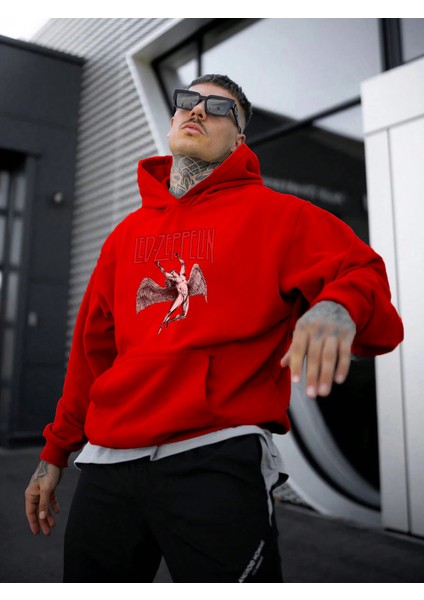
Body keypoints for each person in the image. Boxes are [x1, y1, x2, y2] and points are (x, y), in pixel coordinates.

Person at [25, 73, 403, 583]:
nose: (199, 110)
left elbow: (364, 276)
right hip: (109, 463)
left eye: (220, 108)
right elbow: (91, 356)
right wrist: (54, 454)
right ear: (174, 118)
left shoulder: (280, 217)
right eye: (188, 100)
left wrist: (338, 305)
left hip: (214, 457)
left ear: (240, 139)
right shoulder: (125, 235)